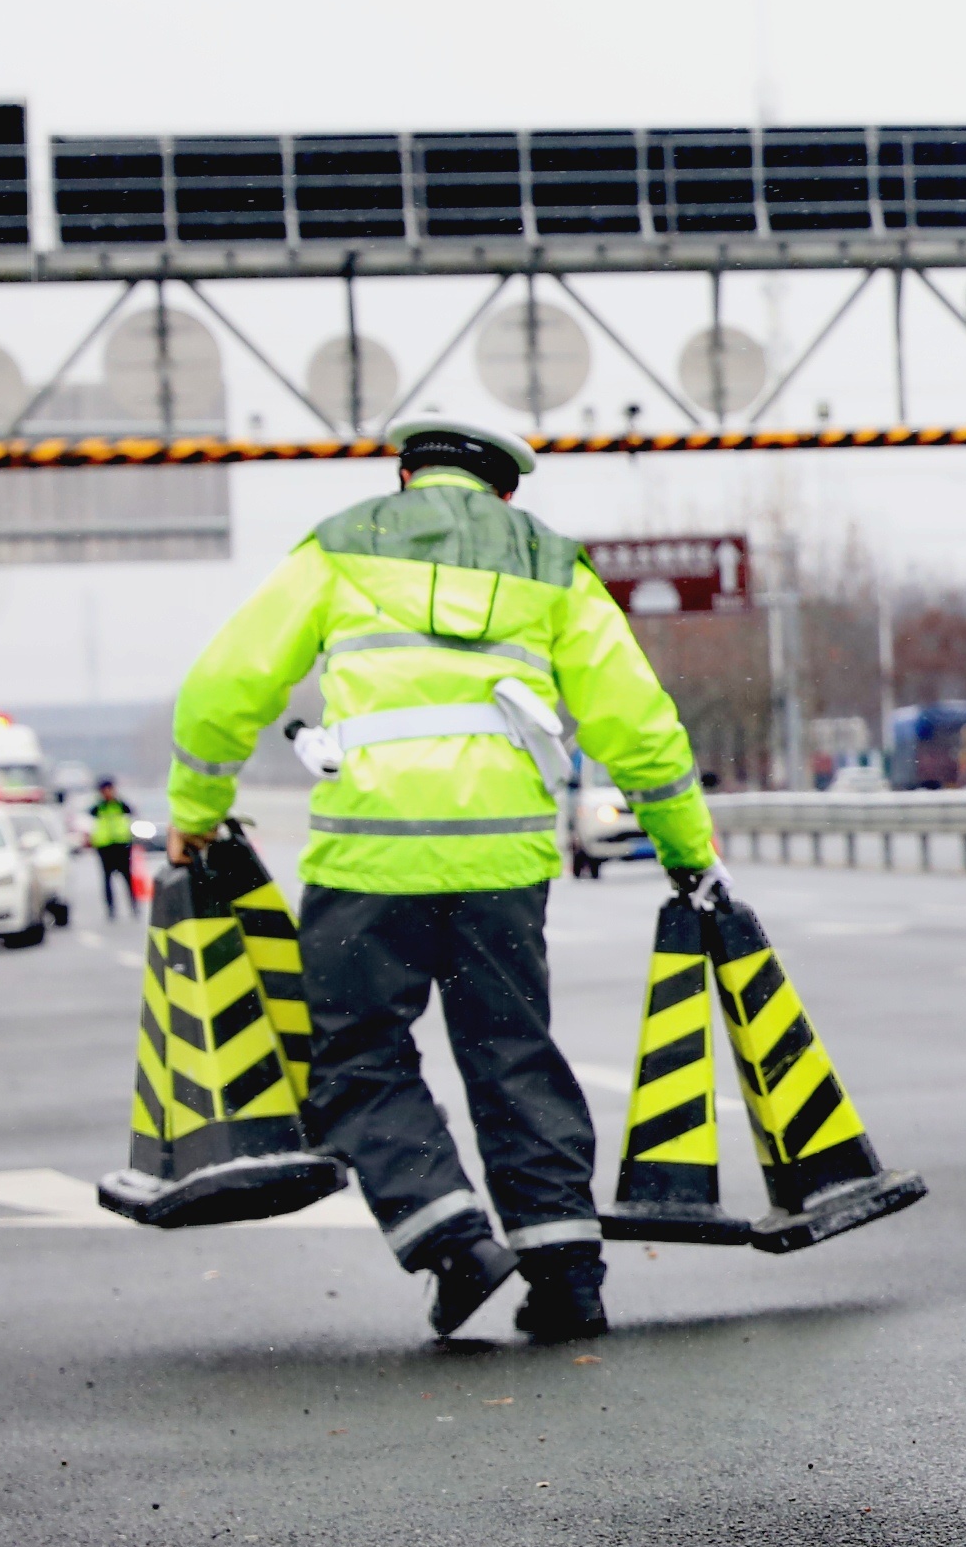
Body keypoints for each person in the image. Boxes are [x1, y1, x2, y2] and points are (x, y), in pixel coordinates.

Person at [164, 414, 718, 1341]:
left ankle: (452, 1236)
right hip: (503, 860)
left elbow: (225, 684)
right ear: (505, 490)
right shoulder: (552, 565)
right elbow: (638, 722)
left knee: (356, 1056)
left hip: (370, 856)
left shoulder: (341, 546)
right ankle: (568, 1278)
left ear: (407, 474)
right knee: (513, 1053)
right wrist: (684, 848)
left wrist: (194, 809)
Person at [85, 778, 138, 917]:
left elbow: (131, 812)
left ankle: (134, 905)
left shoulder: (120, 804)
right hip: (105, 847)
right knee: (107, 879)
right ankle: (111, 909)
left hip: (121, 844)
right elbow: (89, 818)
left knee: (127, 877)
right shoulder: (98, 807)